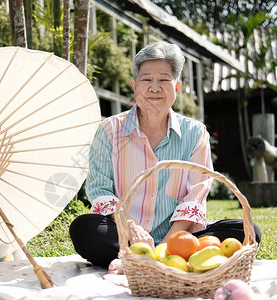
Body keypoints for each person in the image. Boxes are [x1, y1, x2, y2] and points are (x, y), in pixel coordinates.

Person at [69, 41, 261, 274]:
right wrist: (131, 228)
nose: (155, 87)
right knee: (83, 229)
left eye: (164, 80)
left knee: (247, 231)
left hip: (181, 238)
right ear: (134, 86)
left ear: (177, 86)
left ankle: (139, 262)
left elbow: (195, 196)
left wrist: (163, 248)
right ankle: (142, 257)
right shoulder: (109, 130)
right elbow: (100, 190)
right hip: (123, 233)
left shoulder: (195, 133)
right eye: (147, 80)